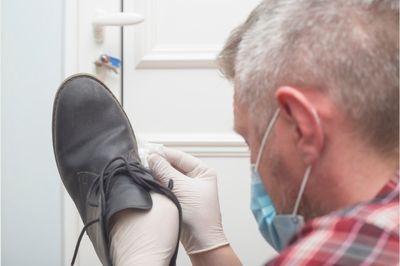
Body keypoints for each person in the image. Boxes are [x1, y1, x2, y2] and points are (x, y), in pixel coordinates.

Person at [148, 0, 399, 265]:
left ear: (302, 127)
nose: (254, 163)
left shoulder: (334, 253)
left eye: (251, 140)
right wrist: (208, 243)